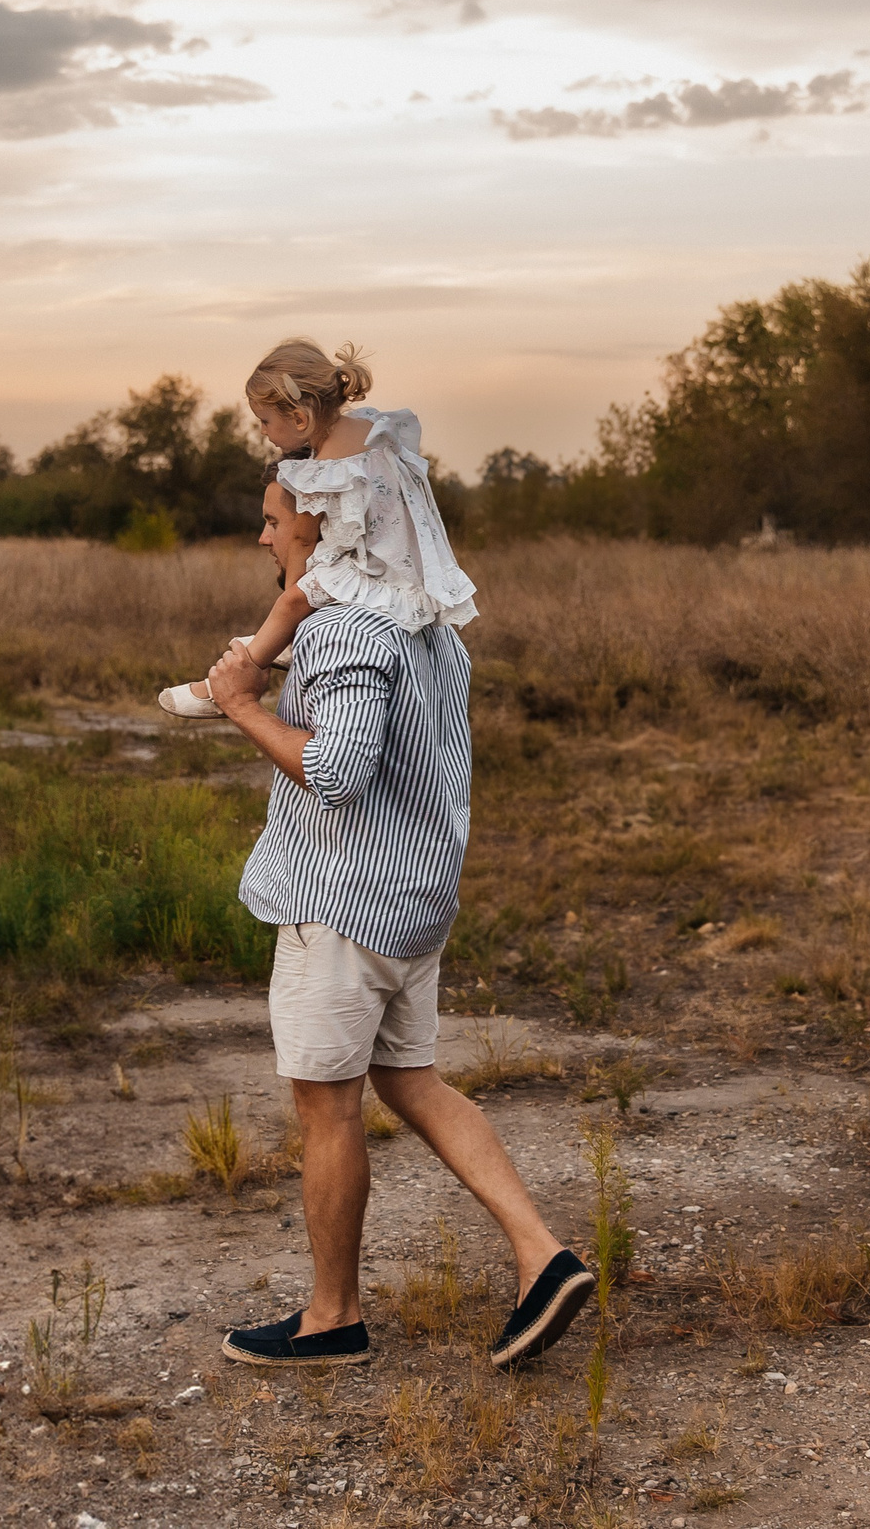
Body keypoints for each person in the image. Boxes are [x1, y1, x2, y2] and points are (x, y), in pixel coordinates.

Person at [203, 462, 592, 1369]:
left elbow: (335, 771)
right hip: (411, 900)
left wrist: (241, 706)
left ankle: (331, 1318)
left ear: (322, 524)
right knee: (411, 1080)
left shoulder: (344, 632)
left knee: (326, 1109)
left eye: (274, 520)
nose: (264, 536)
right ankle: (543, 1255)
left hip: (340, 907)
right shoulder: (429, 626)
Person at [160, 338, 475, 719]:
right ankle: (273, 644)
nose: (262, 431)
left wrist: (295, 595)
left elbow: (302, 538)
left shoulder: (321, 469)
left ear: (299, 418)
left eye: (265, 421)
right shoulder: (376, 429)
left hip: (370, 568)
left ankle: (227, 685)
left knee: (290, 604)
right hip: (403, 564)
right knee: (295, 603)